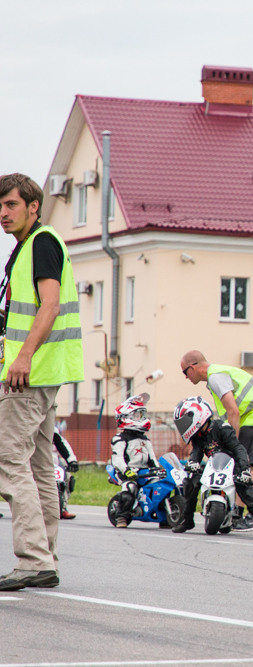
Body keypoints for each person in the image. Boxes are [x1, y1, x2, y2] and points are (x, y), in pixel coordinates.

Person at [0, 173, 84, 592]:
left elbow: (48, 306)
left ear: (34, 207)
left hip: (31, 373)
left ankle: (32, 559)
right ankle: (45, 557)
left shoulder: (42, 243)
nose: (2, 213)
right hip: (44, 373)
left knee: (7, 457)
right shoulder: (28, 249)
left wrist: (24, 356)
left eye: (11, 205)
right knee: (36, 466)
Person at [180, 350, 253, 530]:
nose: (186, 378)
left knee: (246, 464)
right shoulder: (217, 375)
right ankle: (238, 512)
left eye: (185, 372)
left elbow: (233, 411)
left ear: (193, 367)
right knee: (239, 463)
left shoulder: (215, 377)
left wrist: (231, 442)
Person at [171, 396, 253, 536]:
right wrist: (192, 463)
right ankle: (187, 520)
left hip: (231, 464)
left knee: (243, 483)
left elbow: (238, 449)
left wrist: (244, 470)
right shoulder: (198, 437)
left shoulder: (222, 428)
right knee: (191, 481)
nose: (184, 426)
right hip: (212, 465)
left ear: (197, 416)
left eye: (185, 422)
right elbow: (196, 452)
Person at [109, 393, 162, 528]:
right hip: (127, 472)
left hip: (143, 472)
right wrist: (126, 471)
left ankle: (164, 516)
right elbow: (117, 459)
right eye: (138, 415)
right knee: (130, 487)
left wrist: (159, 469)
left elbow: (152, 458)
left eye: (142, 415)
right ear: (125, 417)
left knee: (159, 485)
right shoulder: (120, 439)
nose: (141, 418)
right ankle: (121, 516)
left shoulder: (145, 439)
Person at [52, 428, 79, 520]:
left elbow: (62, 443)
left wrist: (72, 461)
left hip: (53, 460)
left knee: (68, 478)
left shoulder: (52, 429)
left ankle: (63, 508)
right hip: (32, 459)